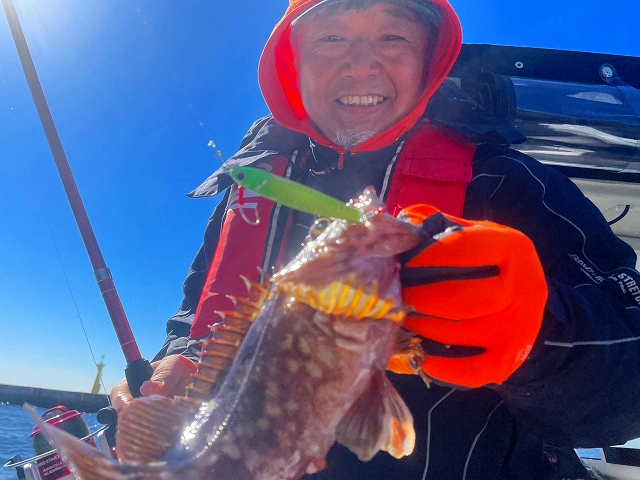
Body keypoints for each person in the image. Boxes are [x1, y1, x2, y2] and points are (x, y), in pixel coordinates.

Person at [111, 0, 640, 478]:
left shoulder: (512, 185)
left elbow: (627, 389)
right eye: (332, 38)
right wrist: (171, 365)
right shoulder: (247, 195)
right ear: (292, 61)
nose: (360, 63)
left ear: (429, 59)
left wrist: (538, 333)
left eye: (393, 38)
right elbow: (194, 321)